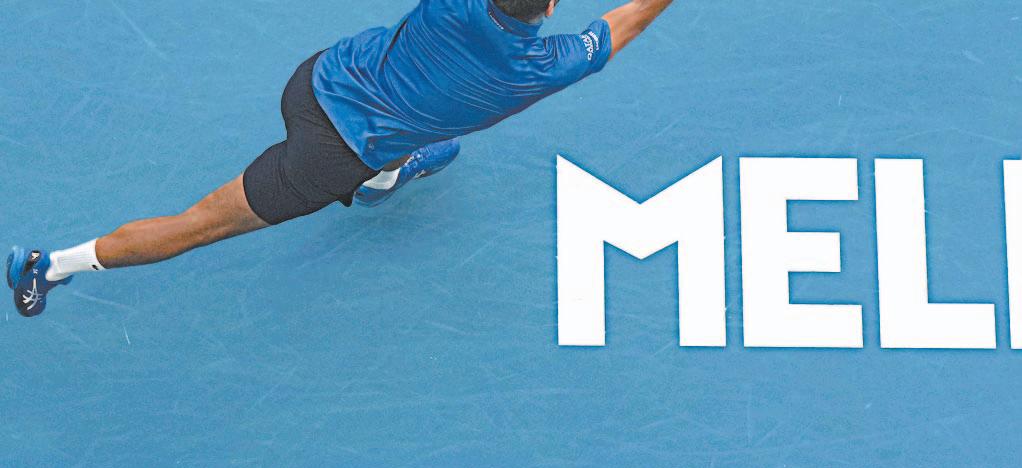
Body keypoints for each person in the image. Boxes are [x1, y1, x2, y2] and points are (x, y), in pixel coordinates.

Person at [6, 0, 676, 317]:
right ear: (551, 7)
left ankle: (387, 175)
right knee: (197, 225)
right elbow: (630, 20)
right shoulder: (548, 66)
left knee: (414, 135)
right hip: (327, 158)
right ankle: (49, 264)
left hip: (316, 78)